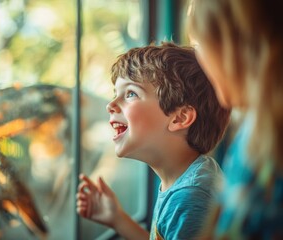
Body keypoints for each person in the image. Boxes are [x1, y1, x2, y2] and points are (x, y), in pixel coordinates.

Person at [76, 42, 231, 240]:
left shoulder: (190, 197)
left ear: (179, 118)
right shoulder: (187, 178)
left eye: (131, 93)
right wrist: (117, 219)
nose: (110, 105)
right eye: (116, 94)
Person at [186, 0, 283, 239]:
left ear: (235, 46)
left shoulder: (263, 141)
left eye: (199, 45)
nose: (199, 61)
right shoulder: (256, 128)